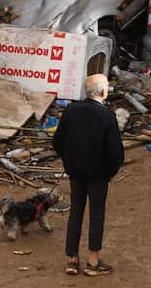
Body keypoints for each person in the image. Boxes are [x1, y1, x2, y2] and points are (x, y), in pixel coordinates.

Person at [52, 73, 123, 276]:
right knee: (96, 214)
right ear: (102, 91)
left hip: (75, 172)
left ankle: (72, 259)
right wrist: (111, 172)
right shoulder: (107, 116)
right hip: (98, 175)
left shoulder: (71, 111)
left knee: (76, 211)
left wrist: (69, 160)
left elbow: (58, 142)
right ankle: (93, 262)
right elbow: (115, 152)